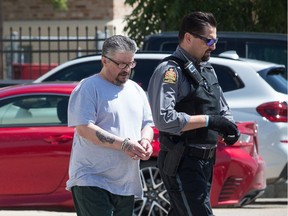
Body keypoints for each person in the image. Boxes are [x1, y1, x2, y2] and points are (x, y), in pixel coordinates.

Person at [147, 11, 240, 216]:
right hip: (182, 160)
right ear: (188, 38)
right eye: (208, 40)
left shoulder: (207, 69)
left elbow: (220, 105)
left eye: (215, 40)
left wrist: (229, 126)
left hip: (205, 161)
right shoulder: (171, 71)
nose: (213, 46)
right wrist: (209, 121)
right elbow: (164, 119)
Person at [66, 35, 154, 216]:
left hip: (125, 181)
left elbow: (147, 124)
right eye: (121, 64)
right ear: (104, 60)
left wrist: (145, 141)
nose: (127, 69)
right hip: (91, 179)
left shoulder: (135, 90)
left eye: (130, 63)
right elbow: (84, 128)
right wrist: (125, 144)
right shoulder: (89, 87)